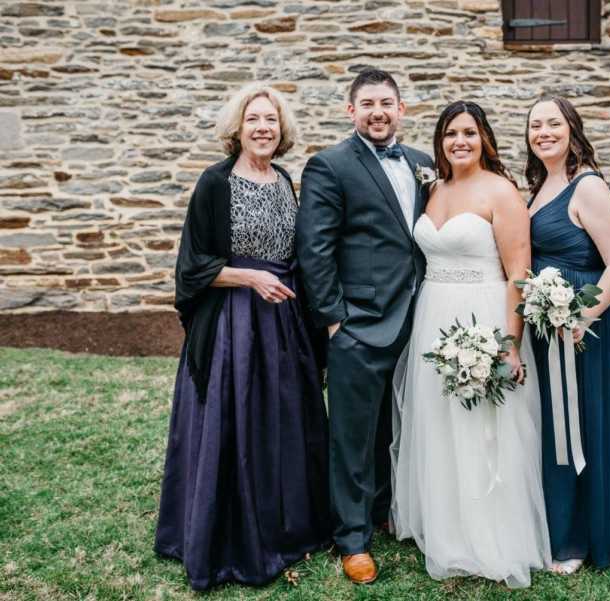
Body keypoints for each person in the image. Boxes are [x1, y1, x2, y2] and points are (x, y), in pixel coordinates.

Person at [155, 83, 331, 591]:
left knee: (284, 421)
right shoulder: (215, 183)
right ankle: (230, 535)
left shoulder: (283, 179)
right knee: (238, 422)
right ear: (236, 127)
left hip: (283, 320)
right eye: (253, 119)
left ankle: (286, 526)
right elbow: (192, 267)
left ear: (282, 130)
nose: (262, 128)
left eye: (271, 121)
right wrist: (248, 277)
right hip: (234, 323)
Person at [390, 100, 551, 588]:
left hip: (482, 315)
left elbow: (519, 271)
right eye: (450, 134)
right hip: (432, 314)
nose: (459, 142)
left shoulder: (501, 192)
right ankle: (445, 526)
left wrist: (510, 344)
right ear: (439, 142)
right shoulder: (434, 189)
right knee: (438, 422)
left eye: (469, 133)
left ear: (484, 139)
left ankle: (492, 535)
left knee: (484, 428)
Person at [296, 68, 434, 585]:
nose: (378, 112)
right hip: (358, 324)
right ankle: (352, 539)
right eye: (368, 103)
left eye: (387, 103)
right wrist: (335, 321)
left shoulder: (423, 163)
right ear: (350, 111)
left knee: (399, 426)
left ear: (401, 110)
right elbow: (315, 249)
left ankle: (386, 510)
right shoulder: (329, 165)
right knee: (353, 437)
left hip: (419, 321)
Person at [525, 97, 610, 575]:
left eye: (553, 123)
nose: (544, 132)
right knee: (552, 427)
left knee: (579, 426)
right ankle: (557, 526)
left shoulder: (586, 186)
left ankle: (581, 539)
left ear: (572, 129)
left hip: (579, 333)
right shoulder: (539, 185)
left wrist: (581, 317)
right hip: (545, 327)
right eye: (535, 125)